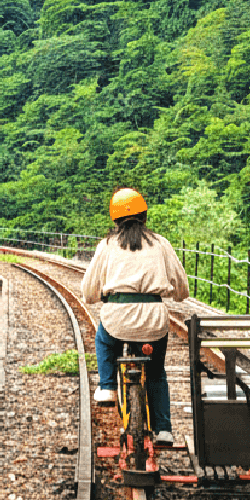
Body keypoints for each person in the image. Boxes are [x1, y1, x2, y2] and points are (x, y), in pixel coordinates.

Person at [82, 188, 190, 446]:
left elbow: (88, 291)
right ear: (144, 216)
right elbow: (182, 288)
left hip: (117, 318)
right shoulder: (160, 244)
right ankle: (163, 430)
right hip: (153, 321)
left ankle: (108, 387)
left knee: (104, 338)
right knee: (156, 372)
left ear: (115, 219)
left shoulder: (107, 245)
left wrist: (101, 294)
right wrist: (171, 292)